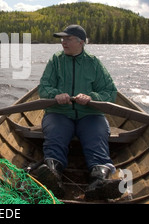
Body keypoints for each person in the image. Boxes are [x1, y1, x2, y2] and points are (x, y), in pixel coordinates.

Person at [33, 24, 122, 200]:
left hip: (89, 114)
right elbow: (43, 88)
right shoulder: (56, 60)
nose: (63, 42)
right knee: (55, 137)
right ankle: (52, 173)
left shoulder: (94, 63)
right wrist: (55, 94)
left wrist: (91, 97)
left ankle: (100, 179)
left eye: (68, 39)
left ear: (81, 42)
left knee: (96, 139)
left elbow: (110, 93)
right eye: (62, 39)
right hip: (59, 112)